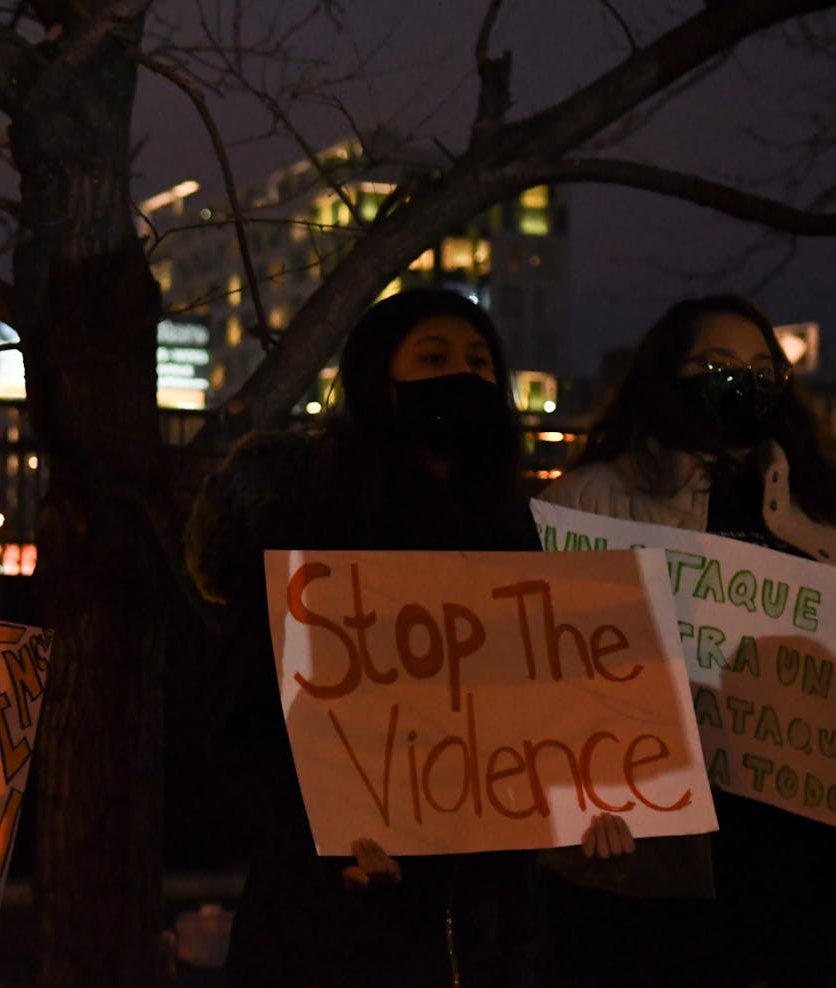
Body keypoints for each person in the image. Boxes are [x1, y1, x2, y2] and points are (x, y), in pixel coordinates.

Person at [185, 288, 632, 987]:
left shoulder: (514, 534)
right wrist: (327, 838)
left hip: (486, 924)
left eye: (482, 361)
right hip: (332, 926)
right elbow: (240, 724)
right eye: (435, 357)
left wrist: (595, 801)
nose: (467, 374)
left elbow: (547, 713)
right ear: (380, 381)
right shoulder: (310, 524)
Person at [537, 293, 836, 987]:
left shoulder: (817, 513)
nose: (743, 382)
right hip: (663, 858)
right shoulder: (587, 503)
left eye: (761, 369)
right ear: (664, 375)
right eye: (717, 364)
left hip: (803, 849)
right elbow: (549, 680)